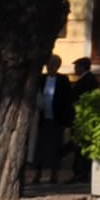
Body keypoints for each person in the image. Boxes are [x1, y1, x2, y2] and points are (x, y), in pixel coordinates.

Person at [30, 53, 76, 187]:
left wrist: (67, 117)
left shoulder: (63, 80)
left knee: (55, 147)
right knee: (39, 148)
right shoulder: (40, 79)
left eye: (54, 65)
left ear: (58, 66)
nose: (51, 67)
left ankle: (53, 174)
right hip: (41, 119)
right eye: (49, 65)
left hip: (56, 118)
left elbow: (67, 98)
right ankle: (37, 174)